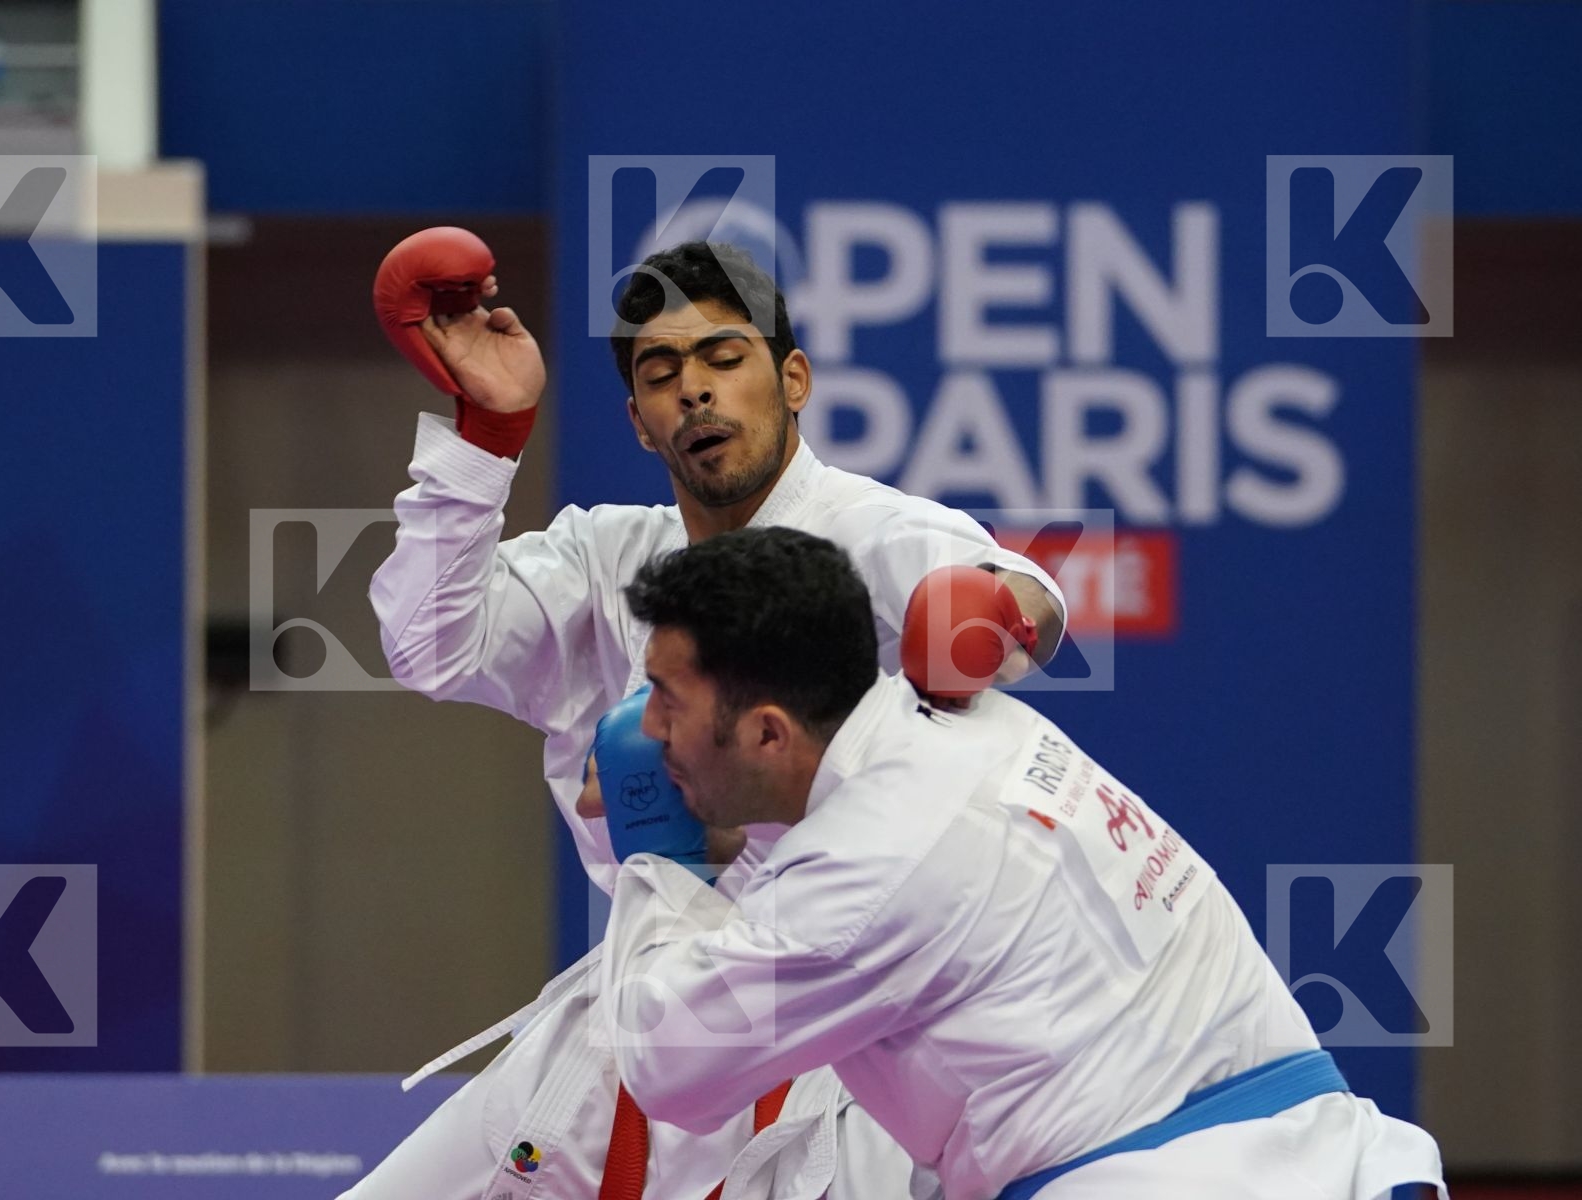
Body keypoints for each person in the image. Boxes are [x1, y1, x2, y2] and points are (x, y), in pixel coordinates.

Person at [349, 240, 1066, 1197]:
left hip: (841, 1046)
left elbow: (1015, 601)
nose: (694, 390)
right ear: (642, 424)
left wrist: (993, 616)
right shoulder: (607, 561)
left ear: (793, 378)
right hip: (648, 1006)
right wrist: (488, 433)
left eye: (724, 358)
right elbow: (432, 645)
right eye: (661, 373)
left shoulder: (874, 532)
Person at [598, 525, 1449, 1200]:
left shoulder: (865, 881)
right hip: (1335, 1153)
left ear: (769, 731)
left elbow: (667, 1066)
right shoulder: (969, 720)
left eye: (668, 700)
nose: (651, 728)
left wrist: (661, 857)